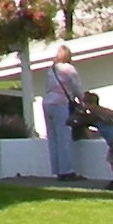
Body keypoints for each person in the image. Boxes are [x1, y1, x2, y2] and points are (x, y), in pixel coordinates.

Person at [42, 47, 87, 182]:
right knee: (64, 137)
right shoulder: (69, 69)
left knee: (53, 138)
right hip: (60, 103)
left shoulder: (52, 69)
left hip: (47, 103)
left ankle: (57, 169)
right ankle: (67, 171)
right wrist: (82, 102)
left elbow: (47, 87)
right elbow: (76, 87)